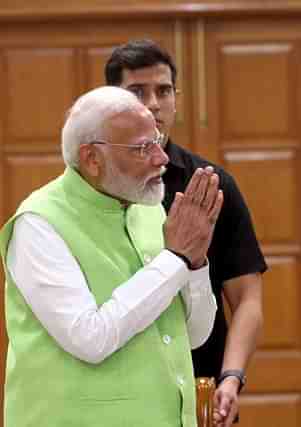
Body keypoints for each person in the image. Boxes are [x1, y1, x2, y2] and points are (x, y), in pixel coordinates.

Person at [0, 86, 222, 426]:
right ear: (92, 158)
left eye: (157, 141)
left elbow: (194, 334)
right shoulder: (39, 223)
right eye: (142, 148)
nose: (162, 158)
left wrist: (194, 263)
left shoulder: (147, 209)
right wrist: (176, 257)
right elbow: (90, 338)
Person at [105, 39, 267, 426]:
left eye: (163, 91)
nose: (153, 104)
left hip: (197, 387)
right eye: (137, 92)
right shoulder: (96, 187)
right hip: (115, 390)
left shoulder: (210, 184)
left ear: (176, 98)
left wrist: (232, 377)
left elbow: (247, 298)